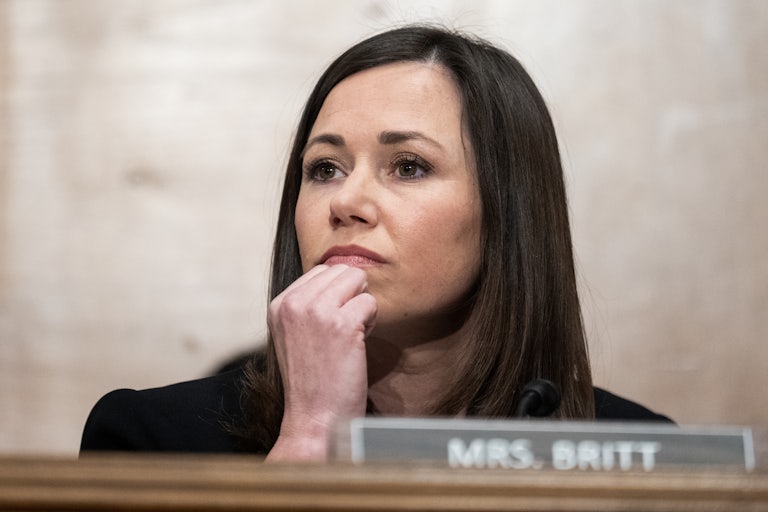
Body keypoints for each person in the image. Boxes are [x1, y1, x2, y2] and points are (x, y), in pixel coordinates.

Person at [80, 24, 671, 459]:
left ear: (506, 211)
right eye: (325, 169)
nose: (347, 202)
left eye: (408, 166)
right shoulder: (151, 440)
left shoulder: (643, 454)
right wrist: (311, 434)